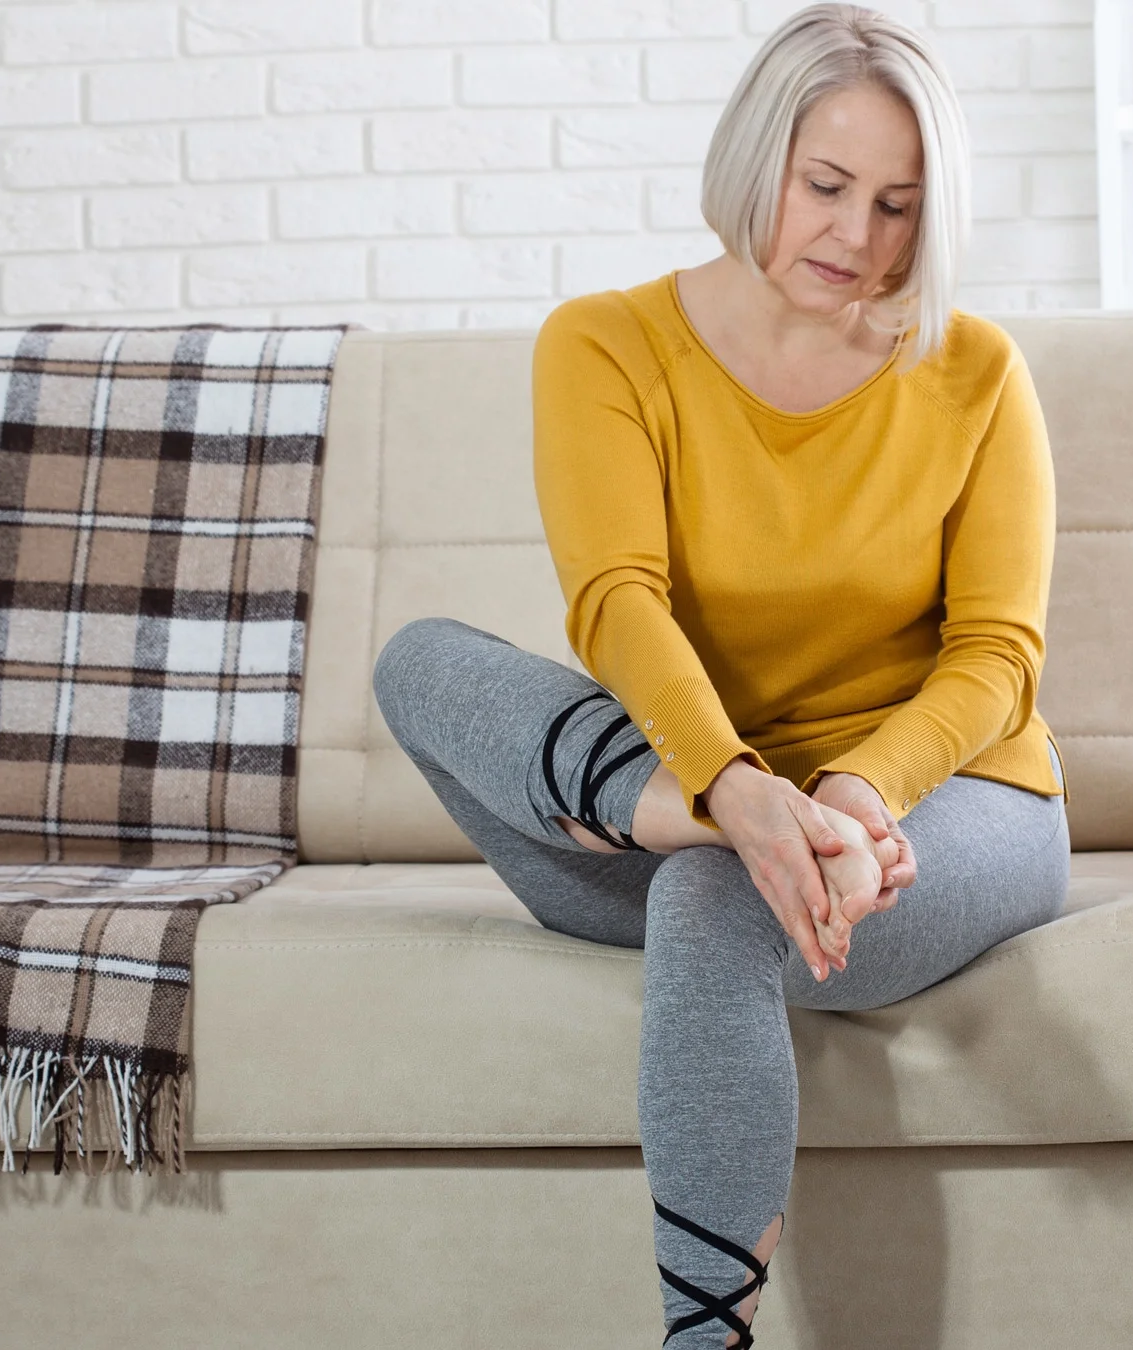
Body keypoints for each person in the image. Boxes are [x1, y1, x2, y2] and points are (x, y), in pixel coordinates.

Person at [370, 6, 1066, 1345]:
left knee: (713, 899)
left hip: (948, 808)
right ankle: (689, 811)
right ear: (760, 158)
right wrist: (734, 788)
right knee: (421, 662)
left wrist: (854, 799)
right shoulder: (606, 345)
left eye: (899, 206)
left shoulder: (977, 373)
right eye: (826, 186)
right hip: (690, 796)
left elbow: (998, 657)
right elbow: (615, 600)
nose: (857, 238)